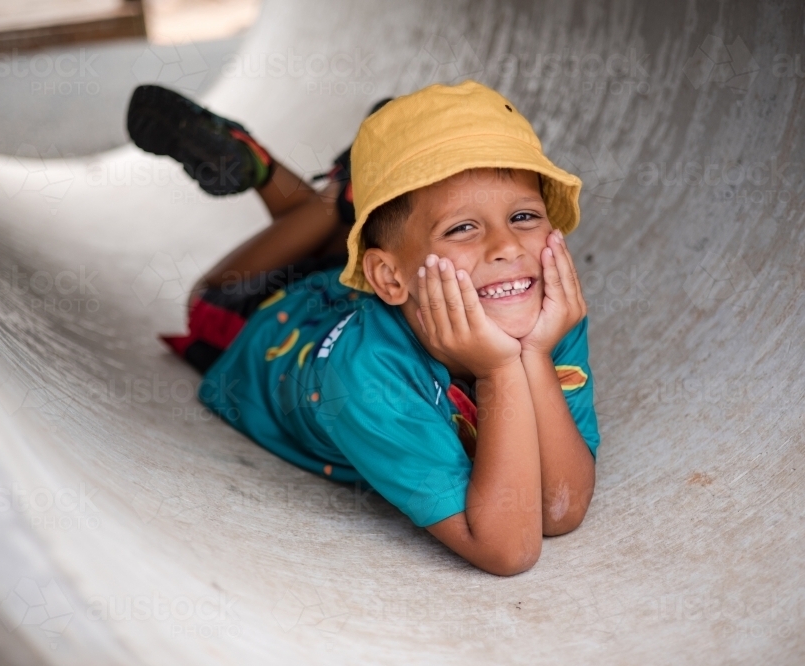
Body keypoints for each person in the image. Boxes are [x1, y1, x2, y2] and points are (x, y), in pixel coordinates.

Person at [126, 80, 600, 576]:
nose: (507, 247)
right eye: (463, 227)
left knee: (338, 235)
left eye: (524, 216)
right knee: (213, 296)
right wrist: (504, 368)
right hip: (268, 313)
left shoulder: (543, 313)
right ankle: (310, 184)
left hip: (379, 283)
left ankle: (350, 197)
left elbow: (560, 508)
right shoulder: (365, 380)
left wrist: (535, 353)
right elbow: (508, 549)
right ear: (389, 278)